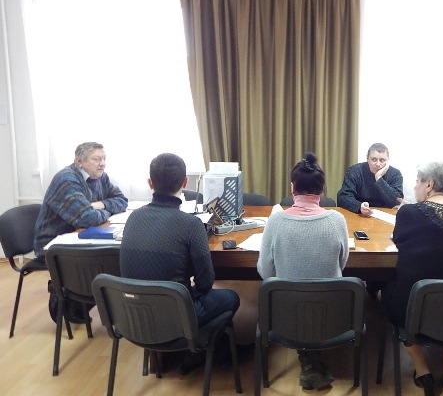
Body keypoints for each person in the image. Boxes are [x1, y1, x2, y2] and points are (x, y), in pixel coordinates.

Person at [120, 153, 240, 374]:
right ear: (185, 183)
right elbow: (206, 282)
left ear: (150, 183)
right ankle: (198, 352)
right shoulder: (191, 224)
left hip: (135, 315)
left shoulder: (133, 217)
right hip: (176, 316)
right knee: (231, 297)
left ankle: (202, 348)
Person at [381, 162, 443, 396]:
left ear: (429, 184)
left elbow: (399, 240)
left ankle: (422, 369)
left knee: (389, 293)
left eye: (417, 182)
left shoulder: (408, 213)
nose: (415, 187)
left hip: (417, 307)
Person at [257, 152, 349, 390]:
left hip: (285, 317)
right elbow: (341, 264)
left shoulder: (276, 222)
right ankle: (311, 357)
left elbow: (265, 272)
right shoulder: (337, 220)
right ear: (322, 190)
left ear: (292, 188)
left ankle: (307, 355)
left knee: (292, 296)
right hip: (332, 316)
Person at [33, 141, 128, 323]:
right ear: (79, 161)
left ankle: (89, 301)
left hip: (79, 236)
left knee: (115, 255)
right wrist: (104, 211)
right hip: (53, 244)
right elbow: (87, 218)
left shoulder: (99, 176)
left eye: (104, 158)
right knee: (111, 258)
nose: (102, 163)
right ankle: (64, 294)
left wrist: (99, 205)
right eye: (96, 159)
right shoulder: (67, 180)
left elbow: (122, 200)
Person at [337, 142, 404, 216]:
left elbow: (397, 201)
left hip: (385, 215)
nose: (378, 164)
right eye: (374, 159)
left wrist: (378, 178)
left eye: (382, 160)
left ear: (387, 160)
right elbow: (343, 197)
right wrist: (359, 206)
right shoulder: (355, 171)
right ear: (367, 158)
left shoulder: (395, 174)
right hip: (360, 214)